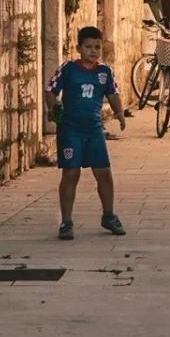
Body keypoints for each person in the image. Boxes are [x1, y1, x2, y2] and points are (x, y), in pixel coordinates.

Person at [47, 27, 127, 239]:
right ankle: (66, 221)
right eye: (88, 47)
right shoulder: (68, 69)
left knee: (104, 174)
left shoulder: (105, 72)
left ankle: (108, 215)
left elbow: (113, 93)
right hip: (70, 129)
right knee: (71, 173)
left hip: (94, 130)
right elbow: (51, 90)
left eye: (97, 47)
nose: (93, 51)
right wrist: (53, 108)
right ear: (78, 48)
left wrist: (119, 112)